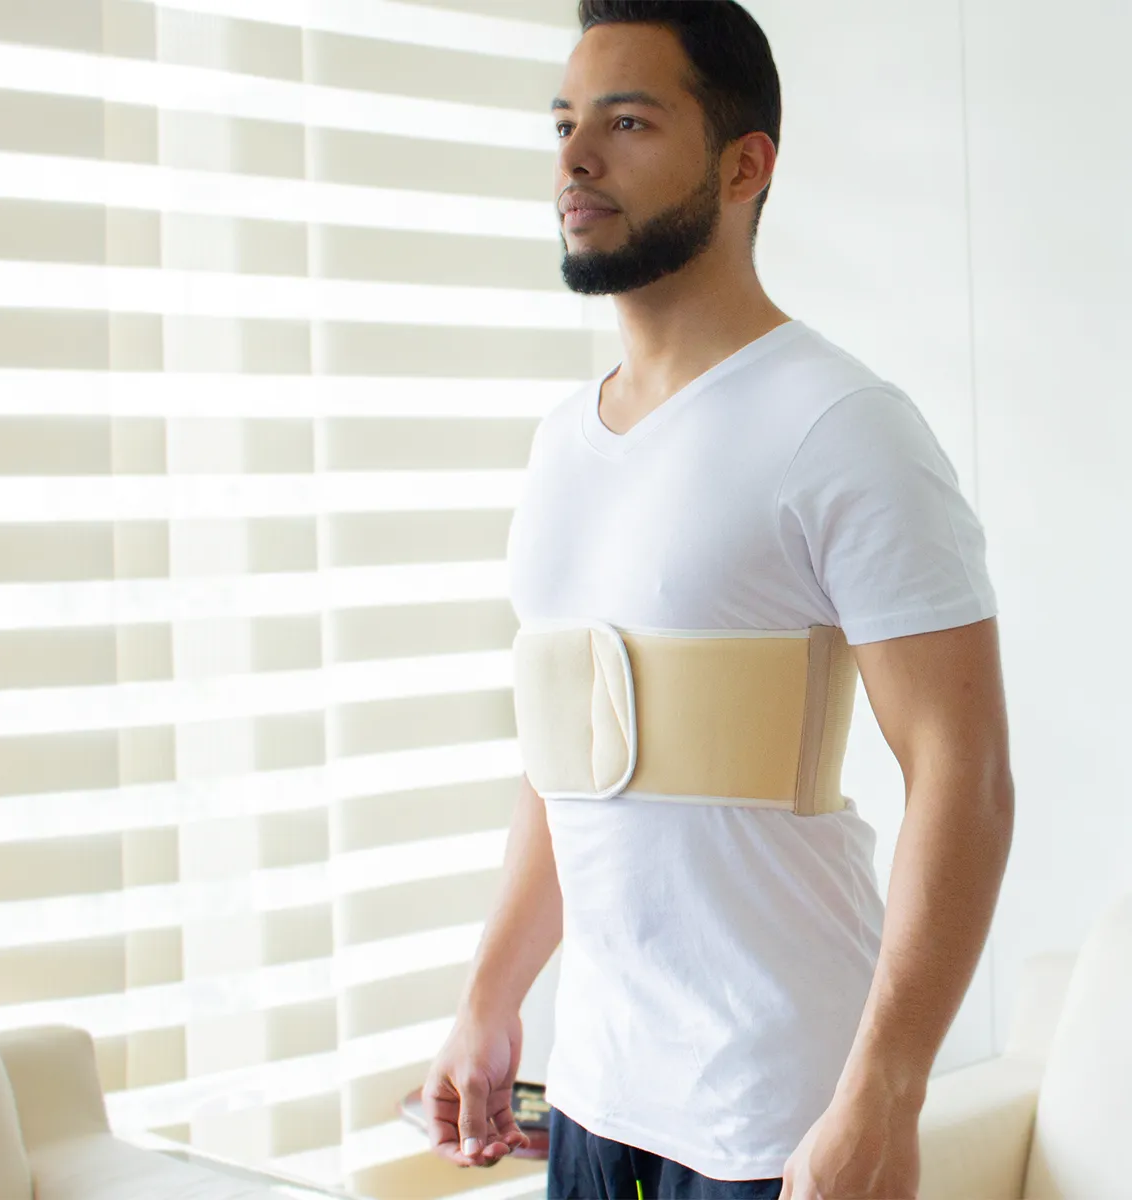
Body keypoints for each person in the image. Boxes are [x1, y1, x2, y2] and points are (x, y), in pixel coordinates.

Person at [422, 2, 1015, 1197]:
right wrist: (491, 997)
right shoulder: (560, 445)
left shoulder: (841, 426)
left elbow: (966, 774)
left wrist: (886, 1093)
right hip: (593, 1099)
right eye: (564, 124)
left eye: (628, 123)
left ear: (746, 166)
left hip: (778, 1108)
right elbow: (570, 764)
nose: (577, 160)